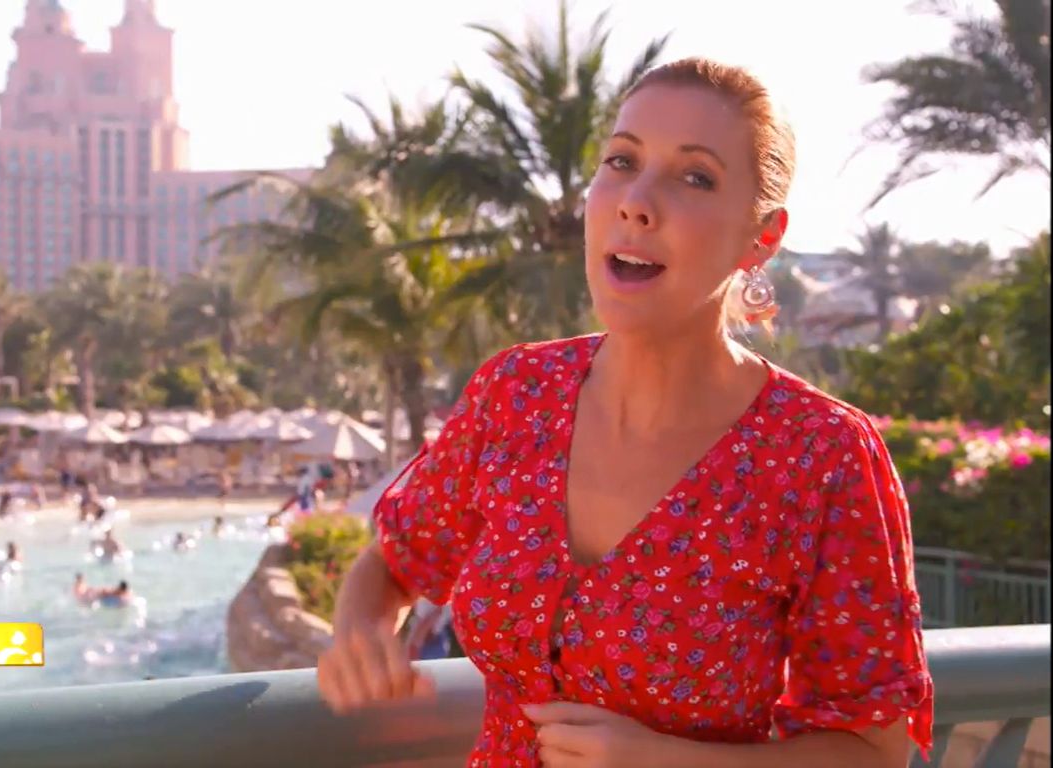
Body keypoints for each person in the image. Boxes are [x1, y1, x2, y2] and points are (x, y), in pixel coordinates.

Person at [316, 58, 933, 768]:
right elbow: (398, 561)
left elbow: (873, 748)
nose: (637, 202)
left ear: (761, 237)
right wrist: (360, 631)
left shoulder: (821, 455)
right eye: (622, 161)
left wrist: (674, 762)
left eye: (694, 177)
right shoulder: (514, 394)